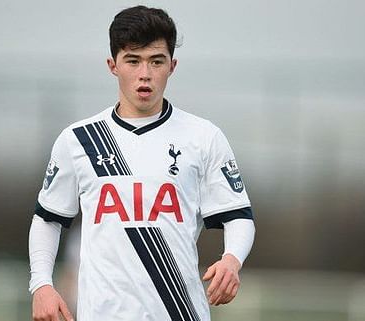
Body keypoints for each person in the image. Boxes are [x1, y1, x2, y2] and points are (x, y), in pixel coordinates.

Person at [29, 5, 255, 321]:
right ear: (113, 65)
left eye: (156, 61)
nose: (145, 74)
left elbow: (239, 216)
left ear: (172, 65)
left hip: (180, 313)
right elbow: (48, 218)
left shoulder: (203, 137)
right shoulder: (79, 139)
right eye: (133, 61)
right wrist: (41, 284)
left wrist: (232, 260)